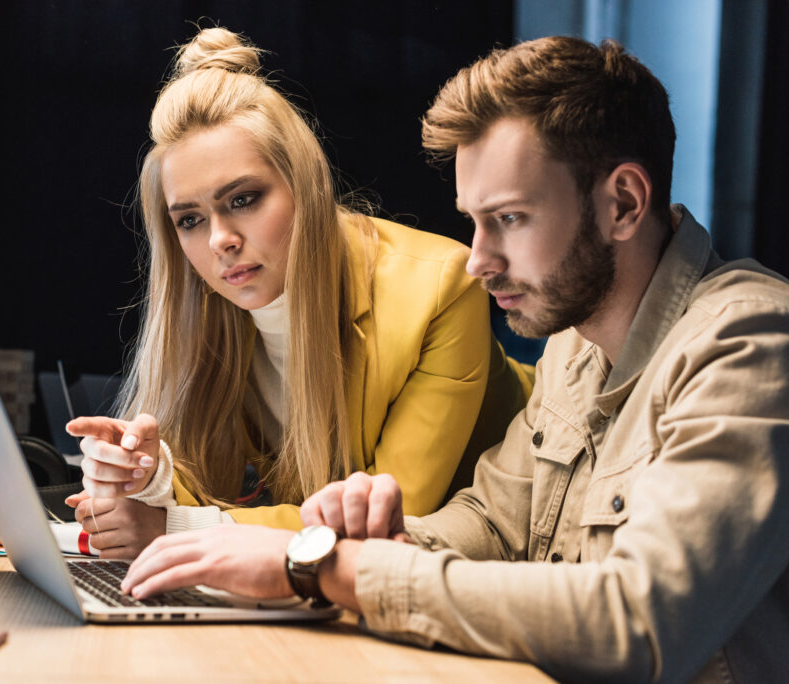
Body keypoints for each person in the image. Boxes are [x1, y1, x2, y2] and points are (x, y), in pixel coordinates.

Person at [117, 36, 789, 682]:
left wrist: (317, 567)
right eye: (473, 221)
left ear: (623, 203)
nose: (478, 260)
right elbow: (492, 525)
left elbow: (639, 621)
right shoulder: (574, 347)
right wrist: (371, 536)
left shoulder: (750, 344)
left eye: (510, 219)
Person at [63, 27, 532, 557]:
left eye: (243, 199)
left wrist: (171, 528)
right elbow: (207, 497)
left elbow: (395, 516)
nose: (220, 240)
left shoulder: (440, 286)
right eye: (190, 218)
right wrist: (146, 480)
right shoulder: (218, 309)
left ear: (304, 185)